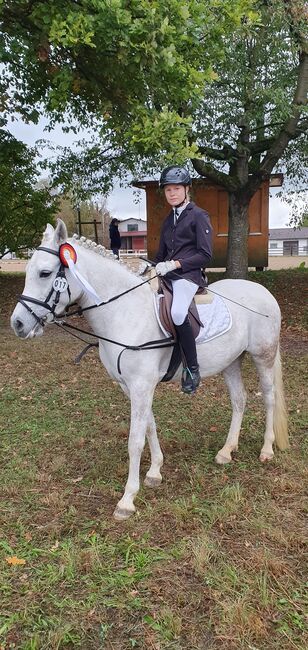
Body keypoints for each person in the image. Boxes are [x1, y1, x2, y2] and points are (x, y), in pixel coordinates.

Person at [153, 165, 213, 394]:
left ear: (187, 189)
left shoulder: (199, 216)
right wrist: (148, 265)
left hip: (188, 276)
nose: (172, 194)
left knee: (178, 312)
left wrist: (176, 264)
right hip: (168, 276)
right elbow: (160, 255)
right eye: (168, 190)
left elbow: (205, 254)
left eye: (176, 189)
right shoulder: (168, 220)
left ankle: (192, 368)